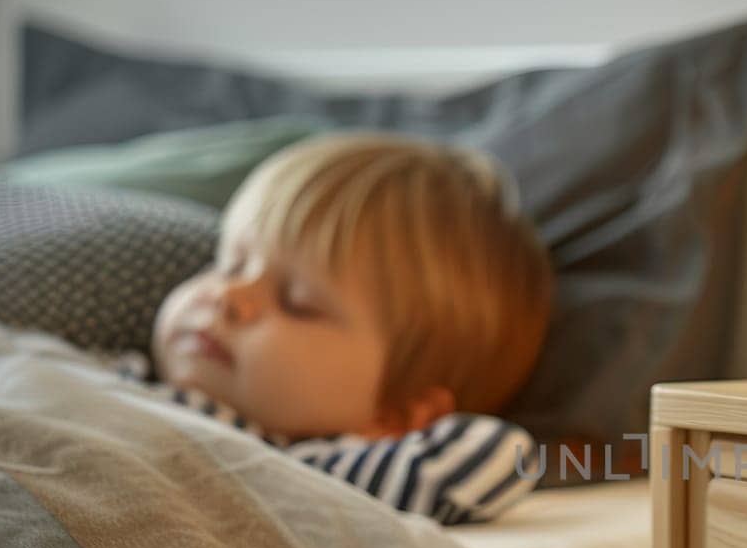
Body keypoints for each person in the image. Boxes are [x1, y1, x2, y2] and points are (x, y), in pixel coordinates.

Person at [135, 132, 551, 524]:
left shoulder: (306, 476)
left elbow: (495, 456)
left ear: (396, 415)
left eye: (298, 304)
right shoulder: (121, 368)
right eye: (229, 265)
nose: (229, 297)